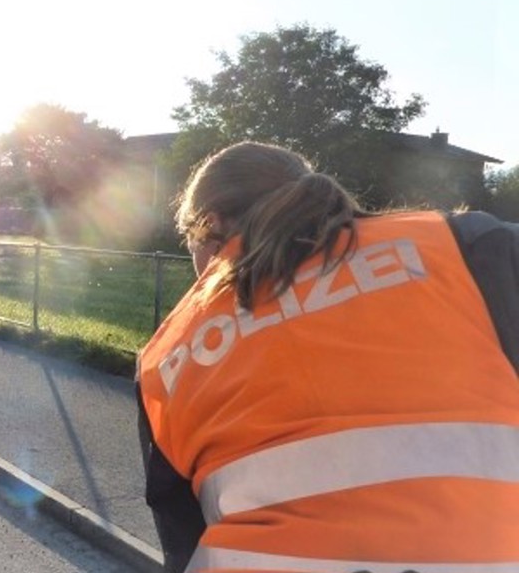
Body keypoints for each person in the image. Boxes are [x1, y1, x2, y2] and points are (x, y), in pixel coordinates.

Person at [136, 141, 519, 572]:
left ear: (211, 224)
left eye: (191, 244)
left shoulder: (167, 358)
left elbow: (184, 544)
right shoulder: (470, 247)